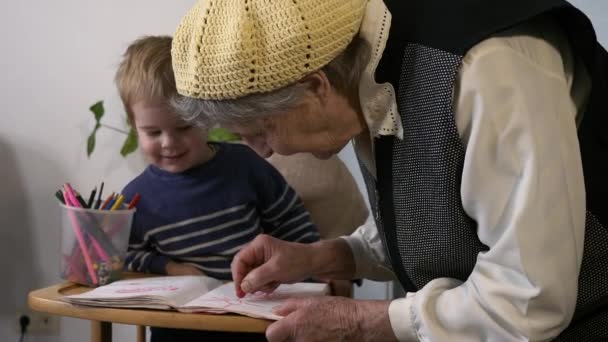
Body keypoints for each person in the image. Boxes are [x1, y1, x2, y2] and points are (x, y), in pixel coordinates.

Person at [170, 0, 608, 341]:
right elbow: (437, 208)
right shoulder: (363, 67)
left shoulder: (488, 67)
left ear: (315, 88)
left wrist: (358, 322)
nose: (263, 153)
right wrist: (327, 256)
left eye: (260, 132)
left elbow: (529, 300)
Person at [115, 35, 320, 342]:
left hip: (252, 315)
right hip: (178, 327)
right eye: (152, 132)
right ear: (135, 127)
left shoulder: (245, 165)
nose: (168, 143)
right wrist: (170, 267)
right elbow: (126, 255)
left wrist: (321, 277)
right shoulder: (134, 198)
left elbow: (291, 223)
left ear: (206, 117)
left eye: (183, 128)